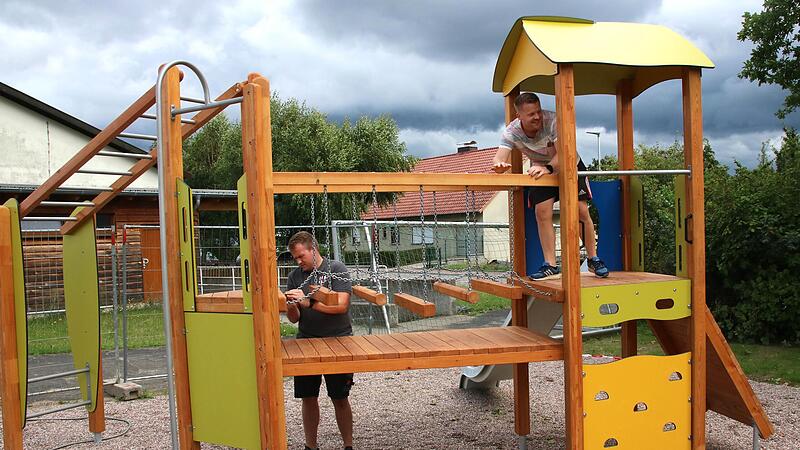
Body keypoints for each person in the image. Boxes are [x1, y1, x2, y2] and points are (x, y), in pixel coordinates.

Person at [492, 92, 609, 280]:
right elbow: (499, 157)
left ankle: (593, 258)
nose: (537, 117)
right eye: (531, 114)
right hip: (541, 168)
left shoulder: (552, 120)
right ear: (519, 116)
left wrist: (547, 168)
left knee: (580, 211)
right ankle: (551, 264)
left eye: (538, 111)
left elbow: (563, 153)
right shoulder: (512, 132)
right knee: (542, 212)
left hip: (569, 164)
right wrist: (499, 166)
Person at [284, 231, 354, 450]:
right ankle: (310, 446)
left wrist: (309, 303)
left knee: (339, 397)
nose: (298, 261)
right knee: (308, 397)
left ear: (313, 250)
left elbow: (341, 306)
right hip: (306, 341)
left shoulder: (336, 269)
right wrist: (291, 306)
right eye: (295, 257)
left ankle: (348, 445)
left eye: (301, 256)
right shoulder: (295, 276)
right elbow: (294, 319)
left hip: (338, 340)